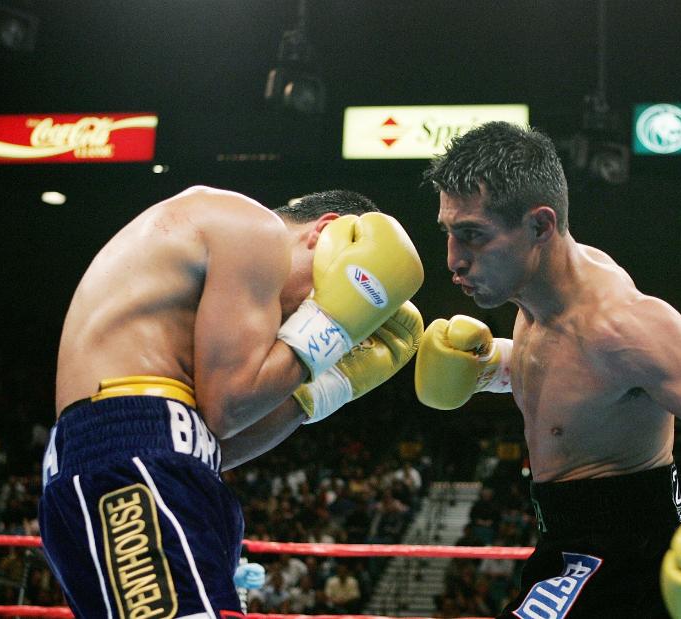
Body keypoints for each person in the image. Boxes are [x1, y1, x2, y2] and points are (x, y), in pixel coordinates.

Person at [415, 122, 681, 619]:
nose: (454, 261)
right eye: (449, 233)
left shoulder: (624, 326)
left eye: (472, 237)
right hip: (564, 545)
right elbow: (578, 381)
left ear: (540, 227)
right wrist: (494, 366)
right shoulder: (538, 299)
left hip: (625, 564)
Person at [40, 186, 424, 618]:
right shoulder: (251, 226)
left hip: (138, 463)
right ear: (326, 231)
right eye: (323, 291)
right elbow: (230, 408)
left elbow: (217, 442)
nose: (303, 313)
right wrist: (334, 325)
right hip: (129, 467)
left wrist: (328, 385)